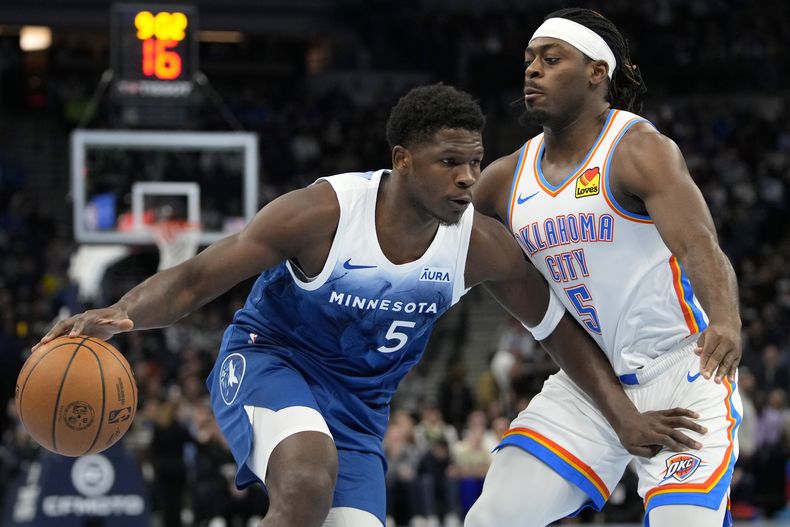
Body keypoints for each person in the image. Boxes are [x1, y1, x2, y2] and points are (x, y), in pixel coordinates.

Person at [36, 84, 704, 527]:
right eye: (450, 162)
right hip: (269, 363)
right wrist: (119, 313)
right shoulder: (323, 212)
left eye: (474, 162)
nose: (469, 178)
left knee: (329, 488)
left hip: (357, 414)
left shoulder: (478, 246)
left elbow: (556, 325)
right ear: (402, 159)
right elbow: (193, 281)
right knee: (306, 475)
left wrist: (620, 413)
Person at [466, 8, 743, 527]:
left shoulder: (637, 148)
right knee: (494, 517)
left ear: (598, 72)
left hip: (680, 369)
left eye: (551, 59)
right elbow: (435, 236)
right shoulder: (505, 179)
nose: (531, 70)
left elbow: (699, 243)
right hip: (588, 383)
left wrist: (726, 318)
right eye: (528, 60)